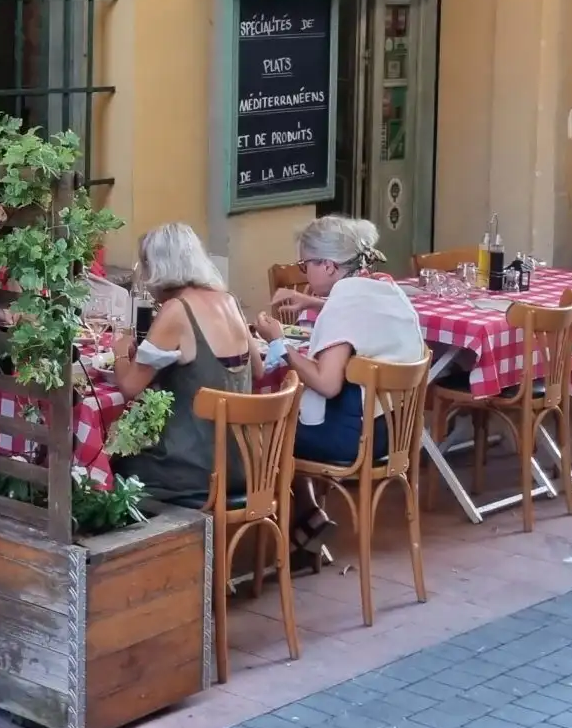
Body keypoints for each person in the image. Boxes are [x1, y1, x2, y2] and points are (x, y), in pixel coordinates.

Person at [253, 215, 428, 470]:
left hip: (354, 438)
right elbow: (362, 315)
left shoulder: (344, 304)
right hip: (400, 429)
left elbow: (328, 384)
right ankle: (309, 507)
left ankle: (300, 508)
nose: (304, 272)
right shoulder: (384, 286)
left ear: (328, 265)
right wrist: (313, 302)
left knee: (260, 429)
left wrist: (279, 342)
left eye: (305, 265)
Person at [107, 223, 252, 508]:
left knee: (115, 462)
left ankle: (153, 550)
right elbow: (256, 370)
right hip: (245, 464)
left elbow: (129, 388)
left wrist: (121, 352)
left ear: (158, 267)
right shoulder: (229, 301)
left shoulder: (177, 310)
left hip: (196, 471)